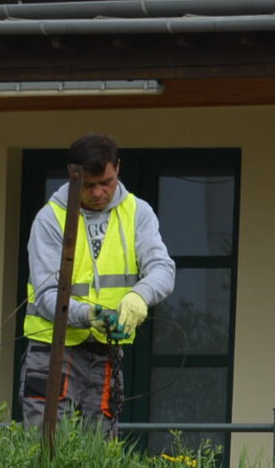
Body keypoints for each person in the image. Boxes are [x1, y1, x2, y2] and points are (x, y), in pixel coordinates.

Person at [21, 133, 175, 435]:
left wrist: (139, 296)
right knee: (44, 445)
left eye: (106, 182)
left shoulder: (137, 212)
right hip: (51, 349)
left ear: (117, 168)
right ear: (73, 174)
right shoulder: (50, 219)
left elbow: (163, 268)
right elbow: (45, 295)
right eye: (89, 185)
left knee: (100, 452)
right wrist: (88, 315)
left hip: (106, 353)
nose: (99, 192)